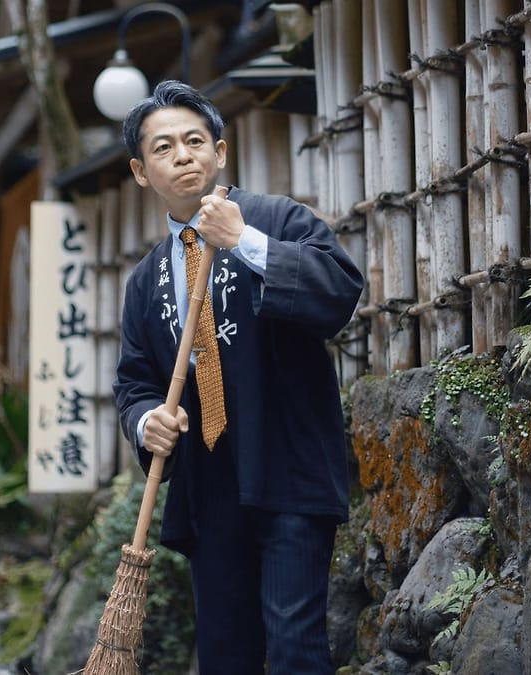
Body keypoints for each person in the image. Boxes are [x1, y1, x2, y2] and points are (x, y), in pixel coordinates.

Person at [112, 80, 364, 674]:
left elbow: (339, 292)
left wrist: (244, 242)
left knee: (296, 645)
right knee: (226, 656)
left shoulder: (276, 219)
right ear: (141, 170)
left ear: (220, 152)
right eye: (164, 146)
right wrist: (147, 421)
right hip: (209, 483)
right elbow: (133, 381)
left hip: (289, 467)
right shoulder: (146, 281)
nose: (183, 155)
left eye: (195, 140)